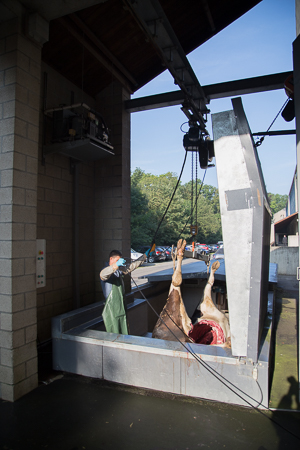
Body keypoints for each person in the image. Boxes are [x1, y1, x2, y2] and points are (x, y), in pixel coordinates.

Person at [100, 249, 147, 334]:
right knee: (114, 333)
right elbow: (103, 274)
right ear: (111, 259)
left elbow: (131, 266)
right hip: (111, 310)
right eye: (117, 260)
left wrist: (144, 257)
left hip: (121, 307)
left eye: (119, 260)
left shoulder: (119, 271)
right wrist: (116, 265)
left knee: (124, 330)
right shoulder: (106, 271)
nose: (119, 262)